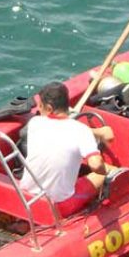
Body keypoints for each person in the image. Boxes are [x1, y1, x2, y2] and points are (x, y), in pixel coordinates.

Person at [19, 82, 115, 217]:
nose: (38, 110)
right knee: (109, 171)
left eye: (40, 107)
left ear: (48, 108)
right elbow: (96, 164)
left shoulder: (35, 123)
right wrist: (104, 171)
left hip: (27, 198)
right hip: (60, 205)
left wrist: (98, 133)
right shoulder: (80, 131)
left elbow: (62, 130)